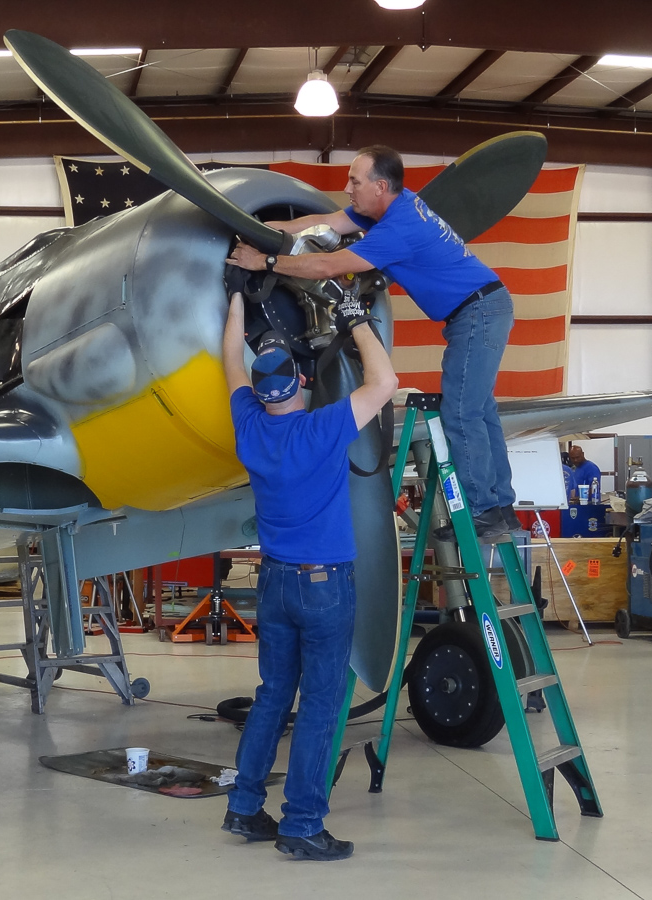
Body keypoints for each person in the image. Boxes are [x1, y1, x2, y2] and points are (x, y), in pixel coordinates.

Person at [226, 144, 516, 543]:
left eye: (355, 181)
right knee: (481, 411)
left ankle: (484, 512)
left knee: (463, 413)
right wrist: (257, 229)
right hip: (482, 307)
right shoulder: (390, 208)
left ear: (380, 186)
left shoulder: (397, 230)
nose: (348, 188)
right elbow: (322, 220)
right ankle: (500, 510)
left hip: (478, 312)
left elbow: (327, 266)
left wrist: (264, 263)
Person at [217, 289, 399, 861]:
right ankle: (301, 824)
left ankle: (245, 808)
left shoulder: (249, 426)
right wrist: (356, 321)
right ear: (298, 379)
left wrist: (236, 310)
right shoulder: (321, 429)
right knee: (320, 704)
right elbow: (384, 382)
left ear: (260, 387)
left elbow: (230, 364)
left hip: (273, 584)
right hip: (324, 587)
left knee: (273, 695)